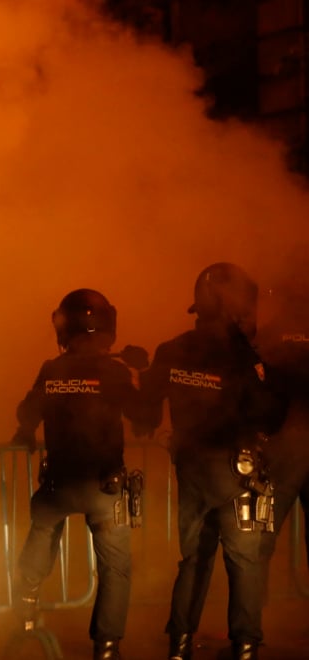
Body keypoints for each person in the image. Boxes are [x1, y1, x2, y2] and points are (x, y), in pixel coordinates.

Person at [138, 263, 288, 660]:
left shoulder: (172, 350)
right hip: (236, 474)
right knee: (244, 562)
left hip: (190, 473)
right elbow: (271, 414)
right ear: (233, 307)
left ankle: (180, 645)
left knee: (193, 560)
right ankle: (243, 647)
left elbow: (145, 408)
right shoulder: (242, 357)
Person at [10, 289, 150, 660]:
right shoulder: (116, 372)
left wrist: (25, 433)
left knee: (42, 531)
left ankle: (24, 611)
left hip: (58, 485)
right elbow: (145, 419)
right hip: (105, 488)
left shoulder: (52, 370)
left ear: (64, 328)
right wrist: (144, 372)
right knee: (115, 569)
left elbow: (27, 414)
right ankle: (106, 648)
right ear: (108, 327)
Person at [254, 280, 309, 570]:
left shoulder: (270, 335)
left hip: (283, 442)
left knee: (264, 535)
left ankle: (252, 609)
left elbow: (256, 385)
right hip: (290, 437)